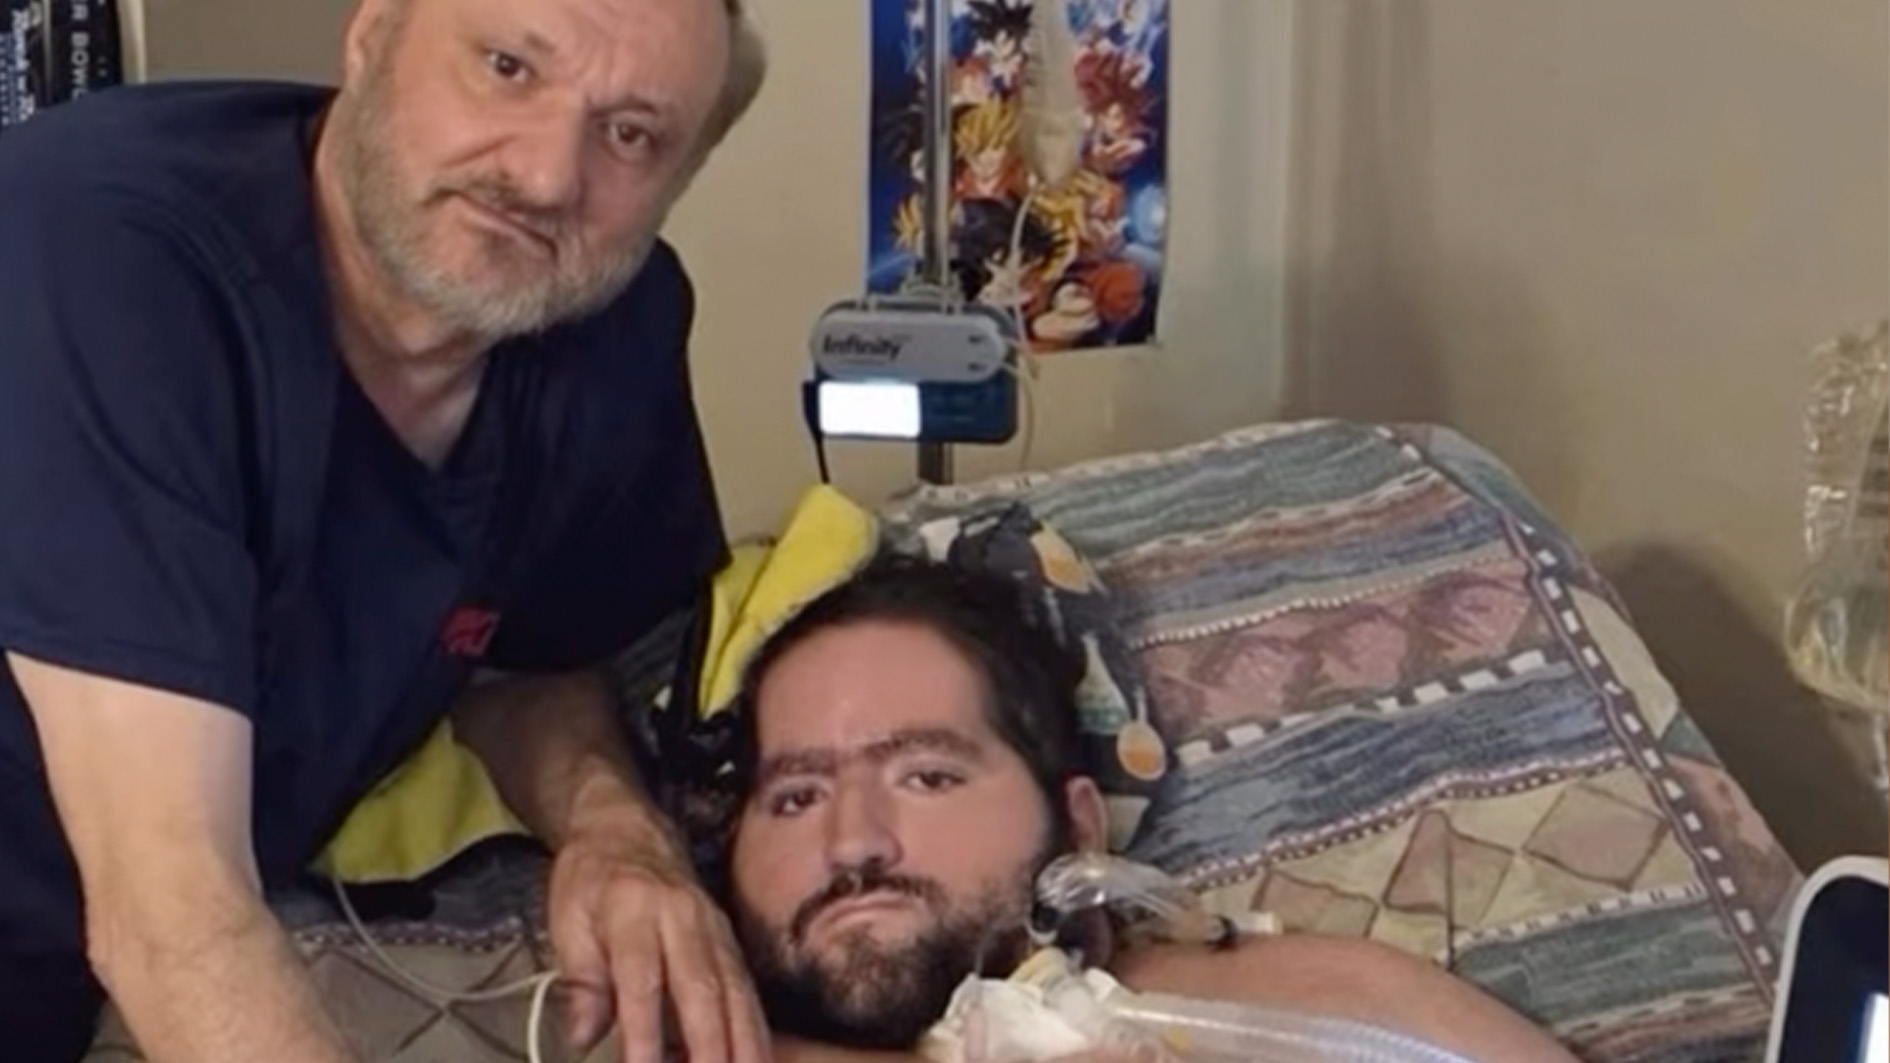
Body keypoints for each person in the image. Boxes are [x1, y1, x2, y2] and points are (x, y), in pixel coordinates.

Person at [0, 1, 771, 1061]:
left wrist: (615, 832)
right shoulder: (103, 251)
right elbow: (172, 910)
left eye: (631, 134)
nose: (546, 176)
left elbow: (527, 665)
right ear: (371, 37)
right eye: (507, 67)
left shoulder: (604, 333)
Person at [711, 556, 1584, 1063]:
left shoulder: (1285, 999)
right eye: (797, 796)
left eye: (929, 775)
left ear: (1080, 826)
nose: (854, 840)